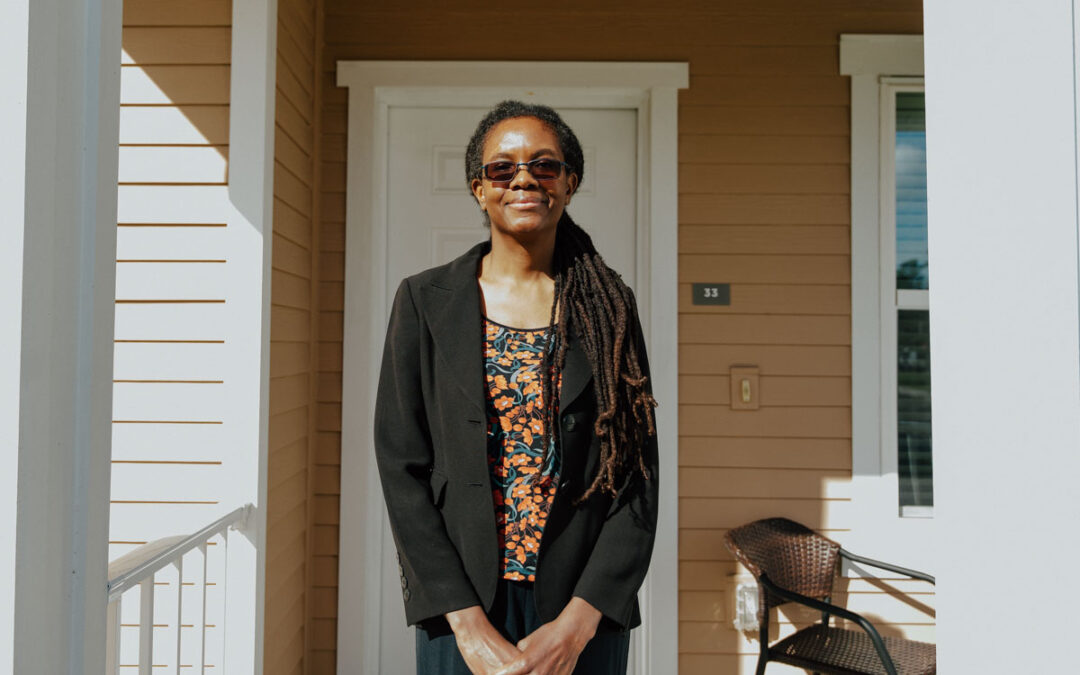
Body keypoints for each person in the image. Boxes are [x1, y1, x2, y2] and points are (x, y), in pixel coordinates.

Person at [373, 100, 659, 675]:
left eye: (544, 166)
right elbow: (401, 466)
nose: (523, 177)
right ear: (479, 189)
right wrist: (464, 620)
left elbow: (636, 478)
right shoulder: (425, 301)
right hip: (465, 603)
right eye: (503, 169)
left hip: (581, 607)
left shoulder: (609, 309)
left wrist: (579, 626)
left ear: (569, 184)